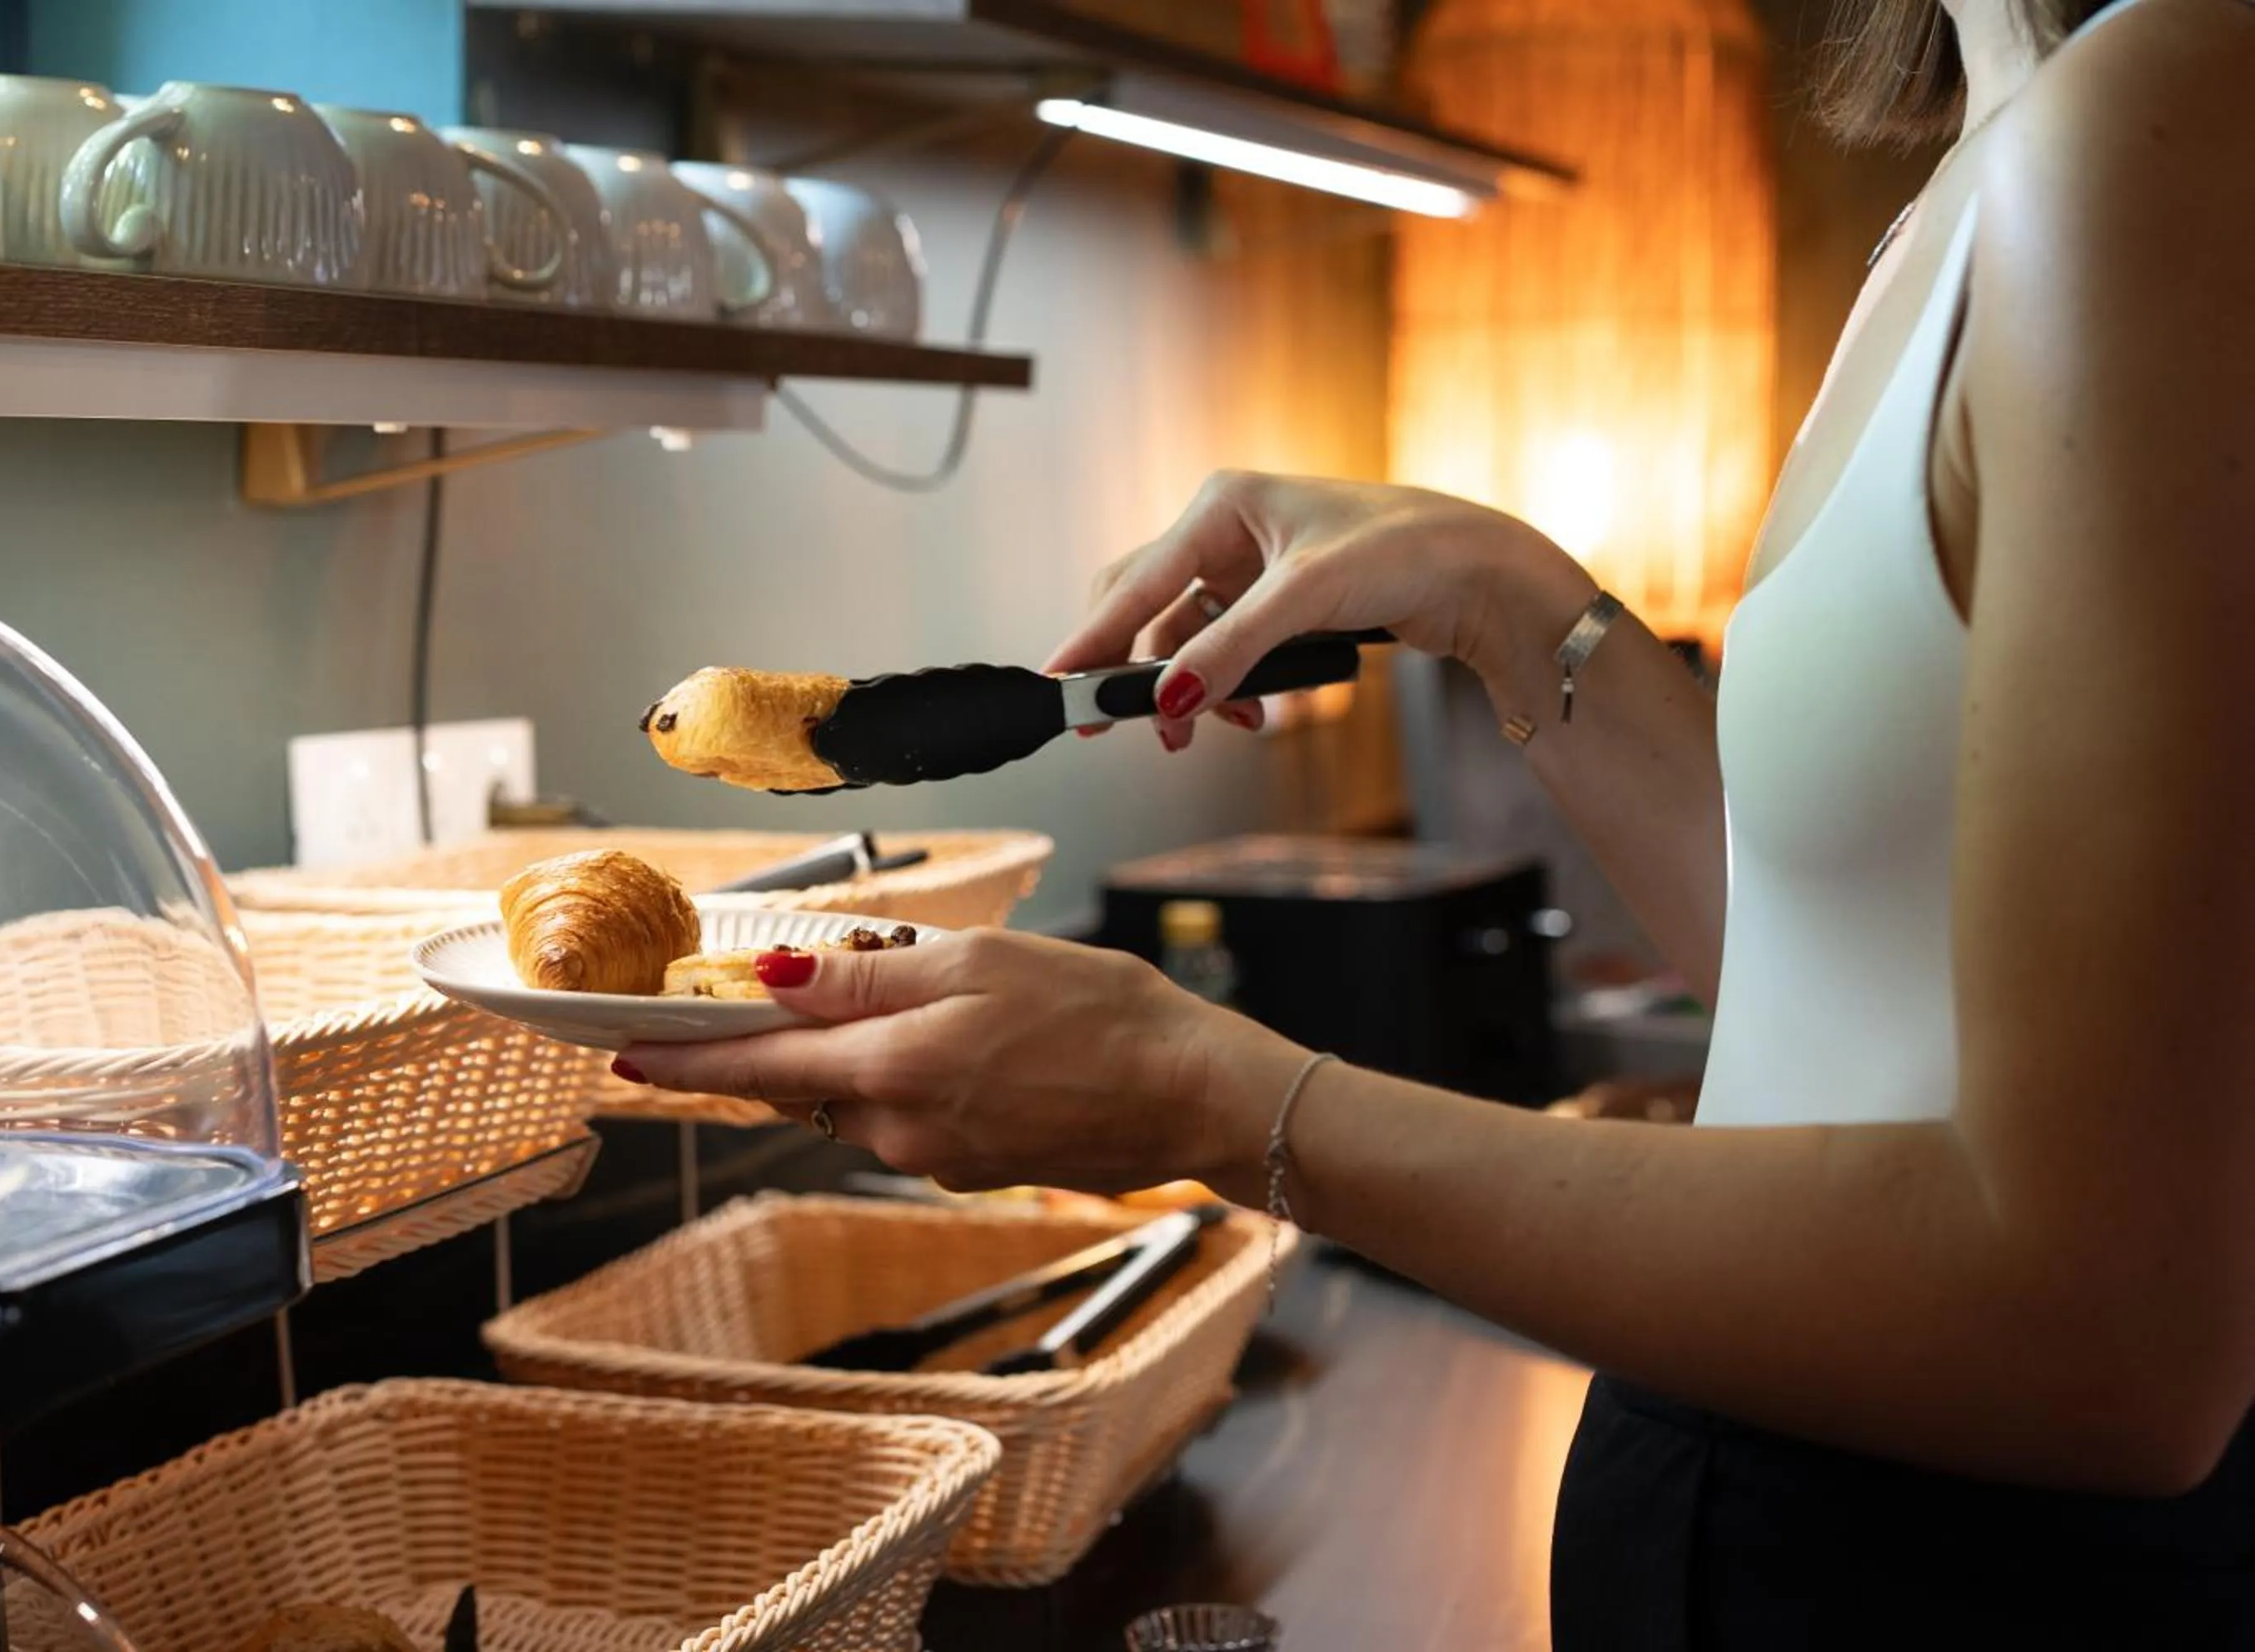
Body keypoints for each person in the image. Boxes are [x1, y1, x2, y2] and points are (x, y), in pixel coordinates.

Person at [615, 0, 2255, 1641]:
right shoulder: (1984, 153)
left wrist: (1221, 1095)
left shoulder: (2164, 114)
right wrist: (1504, 593)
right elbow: (1843, 1008)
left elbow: (2109, 1331)